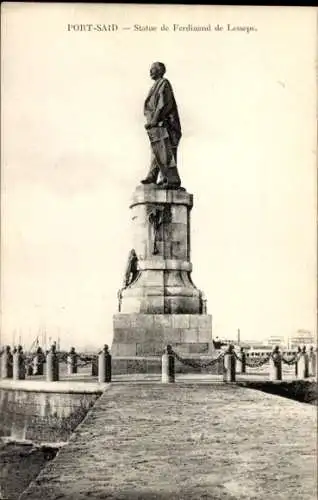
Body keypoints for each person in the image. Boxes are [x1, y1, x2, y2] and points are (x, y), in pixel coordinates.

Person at [141, 62, 182, 188]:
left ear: (160, 71)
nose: (150, 72)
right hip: (158, 126)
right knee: (157, 150)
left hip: (167, 125)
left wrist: (154, 120)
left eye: (153, 69)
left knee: (166, 151)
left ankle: (170, 180)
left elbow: (162, 104)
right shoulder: (155, 86)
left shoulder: (164, 83)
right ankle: (153, 176)